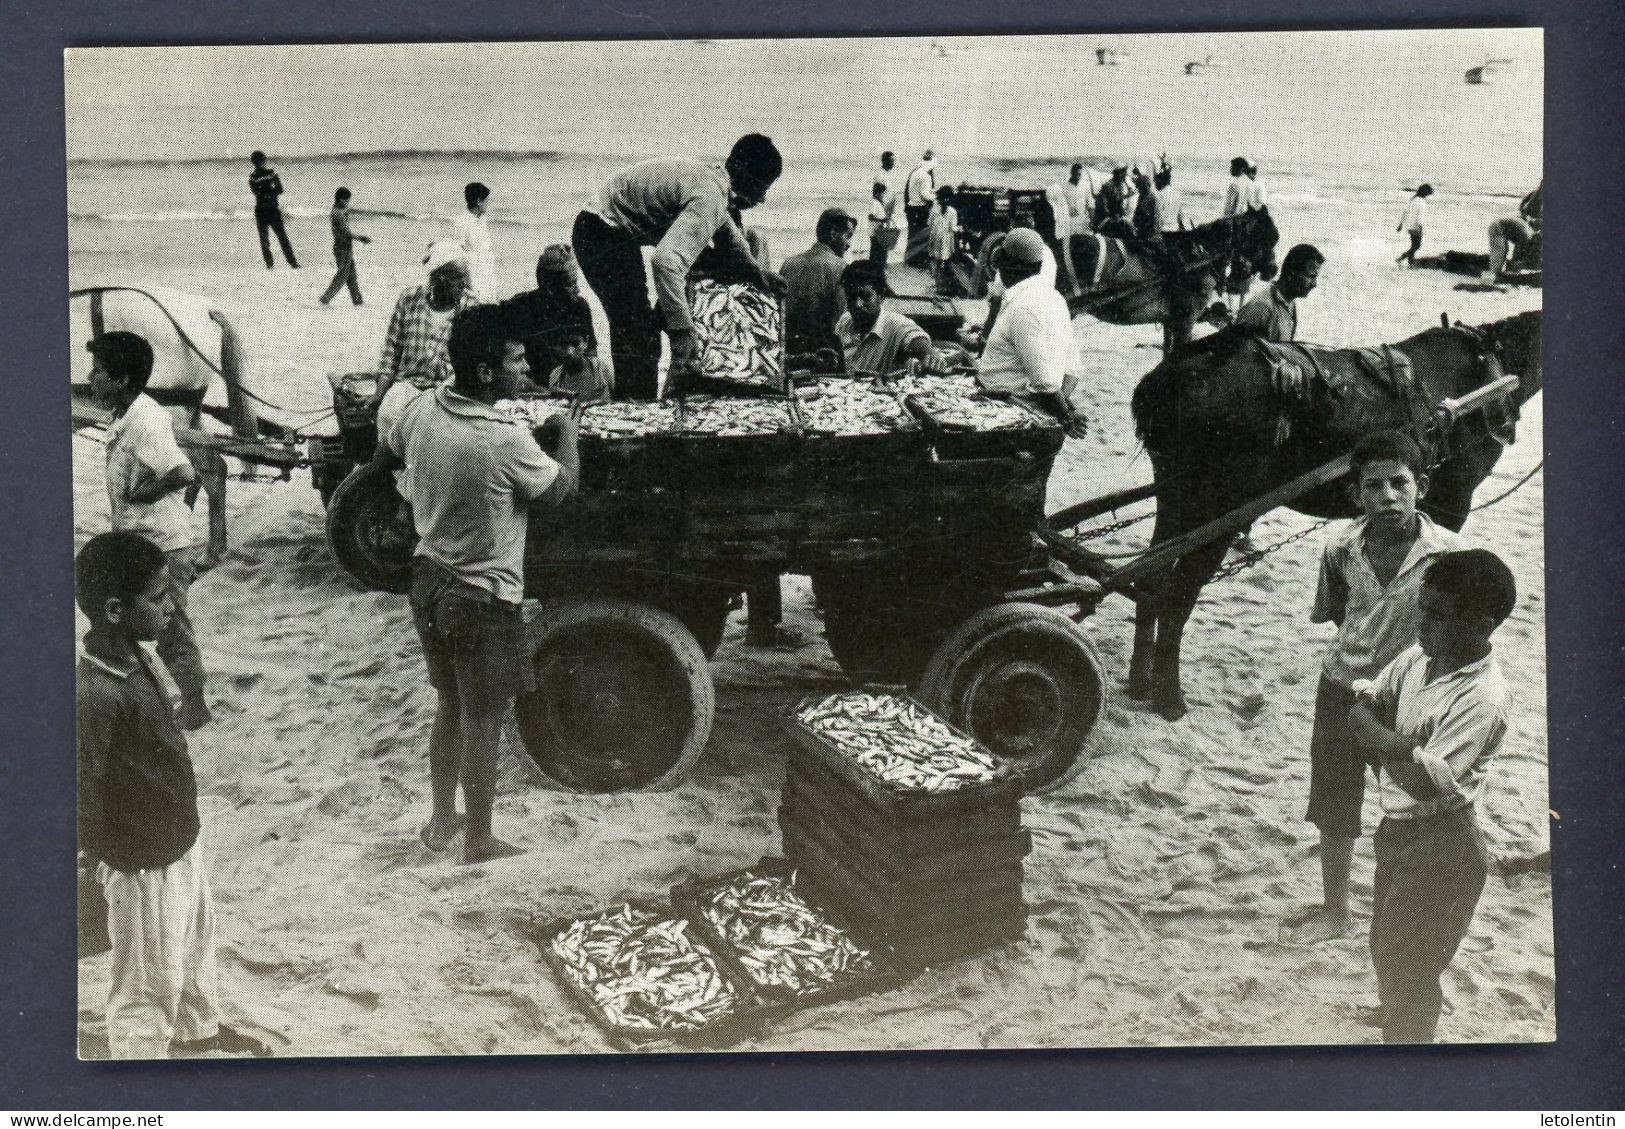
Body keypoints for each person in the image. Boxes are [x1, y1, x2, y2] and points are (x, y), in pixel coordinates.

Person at [376, 305, 581, 865]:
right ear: (487, 372)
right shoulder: (503, 438)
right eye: (515, 360)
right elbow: (561, 490)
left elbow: (387, 448)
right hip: (481, 596)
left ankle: (444, 820)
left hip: (430, 579)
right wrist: (567, 429)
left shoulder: (420, 409)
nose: (524, 368)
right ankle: (481, 840)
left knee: (449, 708)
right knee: (484, 718)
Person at [75, 532, 269, 1059]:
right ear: (116, 609)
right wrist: (96, 858)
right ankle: (140, 1067)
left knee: (192, 949)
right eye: (159, 598)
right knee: (146, 982)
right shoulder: (95, 692)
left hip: (180, 838)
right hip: (140, 859)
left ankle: (198, 1034)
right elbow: (82, 786)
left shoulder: (141, 655)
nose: (171, 606)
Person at [1283, 431, 1463, 947]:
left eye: (1399, 484)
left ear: (1420, 487)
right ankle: (1336, 910)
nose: (1388, 497)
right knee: (1335, 798)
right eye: (1374, 486)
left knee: (1413, 803)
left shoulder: (1448, 553)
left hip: (1411, 696)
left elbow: (1457, 630)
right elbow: (1339, 614)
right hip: (1342, 687)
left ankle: (1404, 914)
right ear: (1355, 495)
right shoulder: (1339, 547)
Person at [1350, 548, 1517, 1043]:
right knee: (1386, 939)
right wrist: (1395, 744)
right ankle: (1395, 1014)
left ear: (1481, 625)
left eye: (1437, 614)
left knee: (1415, 961)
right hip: (1399, 828)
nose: (1421, 622)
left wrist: (1374, 735)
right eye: (1423, 607)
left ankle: (1410, 1048)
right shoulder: (1421, 655)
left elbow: (1424, 783)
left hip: (1445, 843)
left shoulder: (1481, 697)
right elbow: (1357, 709)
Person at [572, 134, 783, 401]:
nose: (763, 198)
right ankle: (635, 410)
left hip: (607, 229)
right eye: (763, 186)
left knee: (640, 332)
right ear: (743, 172)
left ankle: (635, 402)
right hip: (600, 232)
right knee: (637, 333)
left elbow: (729, 238)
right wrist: (683, 332)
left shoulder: (713, 183)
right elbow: (664, 262)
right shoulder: (710, 194)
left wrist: (756, 273)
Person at [85, 331, 211, 730]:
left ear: (122, 380)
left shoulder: (145, 422)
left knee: (171, 628)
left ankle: (195, 705)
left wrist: (143, 494)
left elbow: (184, 472)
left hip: (163, 544)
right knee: (136, 624)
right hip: (140, 540)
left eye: (100, 372)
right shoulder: (127, 414)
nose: (91, 378)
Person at [973, 228, 1087, 438]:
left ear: (1008, 268)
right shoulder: (1056, 299)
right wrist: (1064, 405)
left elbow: (1042, 380)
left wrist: (1064, 417)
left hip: (1007, 411)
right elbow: (1073, 365)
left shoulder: (1023, 306)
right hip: (1027, 406)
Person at [374, 239, 478, 414]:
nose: (464, 283)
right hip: (408, 387)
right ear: (437, 277)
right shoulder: (409, 299)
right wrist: (379, 393)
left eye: (465, 276)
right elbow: (391, 351)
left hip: (449, 390)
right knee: (389, 414)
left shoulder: (472, 308)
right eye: (457, 277)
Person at [500, 244, 598, 378]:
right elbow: (504, 360)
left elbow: (591, 354)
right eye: (570, 284)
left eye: (576, 283)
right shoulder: (519, 307)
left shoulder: (579, 307)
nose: (577, 290)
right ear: (549, 287)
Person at [832, 260, 940, 374]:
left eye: (866, 296)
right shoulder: (845, 322)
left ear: (881, 295)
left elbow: (913, 336)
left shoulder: (894, 325)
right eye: (851, 297)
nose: (857, 304)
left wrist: (930, 355)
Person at [781, 207, 857, 355]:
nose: (848, 245)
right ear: (833, 234)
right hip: (823, 354)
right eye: (847, 236)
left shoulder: (788, 263)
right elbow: (842, 322)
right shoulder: (841, 268)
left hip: (789, 351)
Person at [1232, 242, 1324, 342]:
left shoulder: (1289, 305)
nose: (1314, 284)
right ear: (1291, 272)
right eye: (1311, 276)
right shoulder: (1262, 307)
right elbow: (1232, 348)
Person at [319, 187, 370, 306]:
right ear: (340, 199)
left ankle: (358, 301)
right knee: (342, 276)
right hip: (342, 248)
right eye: (346, 200)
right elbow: (346, 232)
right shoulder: (338, 213)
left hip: (344, 247)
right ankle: (325, 299)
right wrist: (360, 238)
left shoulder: (337, 210)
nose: (347, 203)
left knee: (351, 277)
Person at [247, 151, 299, 269]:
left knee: (268, 240)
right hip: (271, 209)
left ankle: (272, 264)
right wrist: (270, 188)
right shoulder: (271, 174)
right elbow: (277, 190)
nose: (261, 164)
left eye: (261, 162)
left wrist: (266, 190)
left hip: (262, 210)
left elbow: (263, 192)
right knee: (279, 238)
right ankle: (292, 263)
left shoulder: (253, 177)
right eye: (260, 161)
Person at [1485, 181, 1542, 281]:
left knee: (1503, 251)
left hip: (1502, 226)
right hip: (1498, 229)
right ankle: (1492, 278)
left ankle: (1497, 274)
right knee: (1499, 254)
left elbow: (1524, 209)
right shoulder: (1528, 233)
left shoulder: (1526, 227)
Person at [544, 323, 613, 404]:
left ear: (586, 342)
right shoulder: (555, 377)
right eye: (564, 345)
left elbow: (609, 404)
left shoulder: (599, 369)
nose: (569, 352)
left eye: (575, 343)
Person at [453, 182, 498, 301]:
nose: (488, 204)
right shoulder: (461, 222)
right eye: (487, 201)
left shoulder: (482, 219)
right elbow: (458, 253)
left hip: (487, 271)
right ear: (479, 201)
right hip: (473, 275)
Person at [903, 149, 938, 267]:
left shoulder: (915, 172)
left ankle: (910, 259)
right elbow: (924, 195)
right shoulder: (926, 176)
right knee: (923, 234)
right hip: (921, 208)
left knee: (913, 234)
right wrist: (936, 197)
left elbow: (908, 191)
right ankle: (919, 261)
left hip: (912, 206)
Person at [927, 187, 958, 294]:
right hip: (946, 240)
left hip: (935, 238)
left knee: (935, 260)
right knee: (945, 260)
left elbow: (929, 223)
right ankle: (944, 284)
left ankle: (938, 283)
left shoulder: (934, 209)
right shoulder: (952, 211)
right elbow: (953, 228)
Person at [1395, 184, 1433, 267]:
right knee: (1417, 246)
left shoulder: (1413, 199)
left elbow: (1405, 212)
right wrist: (1420, 228)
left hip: (1409, 226)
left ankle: (1410, 262)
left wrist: (1400, 225)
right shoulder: (1422, 202)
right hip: (1415, 226)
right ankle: (1401, 258)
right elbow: (1420, 217)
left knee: (1414, 245)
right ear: (1425, 193)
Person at [1093, 165, 1135, 238]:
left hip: (1119, 215)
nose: (1123, 176)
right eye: (1121, 173)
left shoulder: (1121, 185)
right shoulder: (1108, 186)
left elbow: (1120, 200)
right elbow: (1104, 204)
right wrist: (1111, 215)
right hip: (1108, 216)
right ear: (1116, 174)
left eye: (1124, 174)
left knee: (1132, 231)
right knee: (1097, 232)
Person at [867, 181, 897, 270]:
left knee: (878, 249)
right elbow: (870, 217)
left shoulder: (878, 202)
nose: (882, 195)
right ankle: (875, 266)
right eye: (882, 193)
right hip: (874, 231)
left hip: (878, 230)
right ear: (877, 193)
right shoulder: (874, 202)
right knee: (876, 250)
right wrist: (882, 220)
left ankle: (877, 266)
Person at [1061, 162, 1096, 235]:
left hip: (1082, 220)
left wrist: (1092, 221)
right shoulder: (1063, 187)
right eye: (1075, 174)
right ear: (1071, 173)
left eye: (1079, 175)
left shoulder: (1085, 186)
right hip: (1069, 221)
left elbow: (1091, 205)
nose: (1077, 177)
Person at [1153, 165, 1188, 234]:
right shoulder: (1177, 193)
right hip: (1175, 229)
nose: (1155, 184)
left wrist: (1155, 233)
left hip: (1163, 230)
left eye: (1156, 181)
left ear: (1161, 181)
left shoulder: (1159, 195)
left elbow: (1158, 216)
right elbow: (1180, 216)